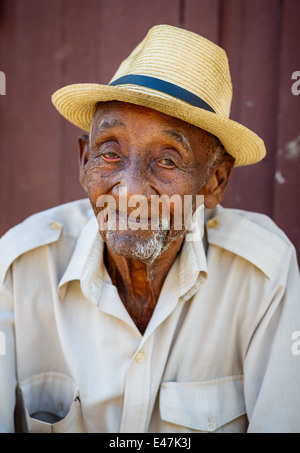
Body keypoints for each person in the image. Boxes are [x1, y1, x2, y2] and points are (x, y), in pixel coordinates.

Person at [0, 24, 299, 434]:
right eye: (109, 153)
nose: (129, 191)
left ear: (215, 182)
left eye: (168, 160)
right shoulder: (19, 268)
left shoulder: (263, 276)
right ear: (84, 160)